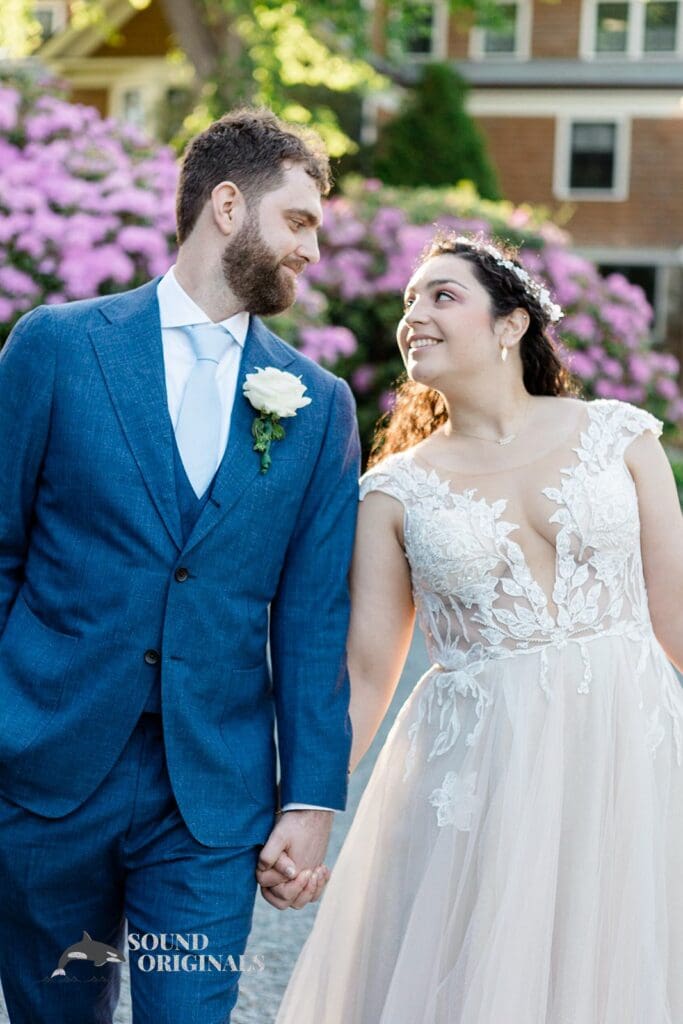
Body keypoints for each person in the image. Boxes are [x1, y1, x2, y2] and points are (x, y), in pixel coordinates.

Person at [0, 108, 360, 1023]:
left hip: (208, 798)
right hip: (45, 776)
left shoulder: (317, 407)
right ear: (228, 206)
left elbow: (314, 618)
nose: (311, 251)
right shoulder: (56, 346)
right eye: (300, 220)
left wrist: (311, 796)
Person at [273, 232, 683, 1023]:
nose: (413, 316)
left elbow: (675, 612)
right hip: (482, 772)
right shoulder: (392, 492)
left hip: (629, 754)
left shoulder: (617, 436)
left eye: (441, 295)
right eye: (407, 303)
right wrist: (307, 808)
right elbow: (366, 675)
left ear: (511, 325)